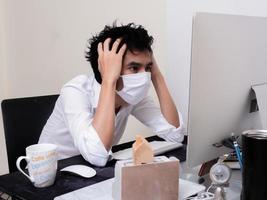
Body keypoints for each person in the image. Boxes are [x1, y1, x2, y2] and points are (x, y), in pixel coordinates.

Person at [38, 23, 184, 167]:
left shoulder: (132, 96)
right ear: (109, 67)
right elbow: (97, 154)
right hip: (52, 173)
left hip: (91, 171)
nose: (144, 75)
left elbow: (175, 136)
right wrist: (108, 80)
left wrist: (156, 75)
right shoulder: (75, 91)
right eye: (134, 68)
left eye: (147, 68)